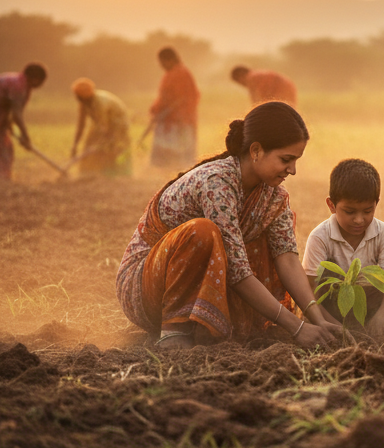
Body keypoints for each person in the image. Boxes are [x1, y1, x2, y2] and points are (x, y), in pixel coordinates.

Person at [116, 102, 341, 349]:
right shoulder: (217, 182)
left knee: (262, 241)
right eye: (286, 159)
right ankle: (174, 330)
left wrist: (317, 319)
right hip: (145, 289)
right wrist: (297, 328)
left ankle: (206, 328)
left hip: (195, 283)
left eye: (296, 160)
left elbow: (286, 258)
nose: (293, 170)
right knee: (202, 232)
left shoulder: (274, 196)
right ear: (256, 150)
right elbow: (237, 269)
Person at [303, 159, 384, 336]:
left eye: (367, 211)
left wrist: (382, 316)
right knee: (324, 275)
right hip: (333, 309)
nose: (359, 220)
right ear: (331, 205)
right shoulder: (320, 237)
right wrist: (334, 326)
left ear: (376, 204)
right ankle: (337, 330)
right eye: (350, 212)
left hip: (370, 305)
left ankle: (377, 330)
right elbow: (310, 290)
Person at [145, 47, 200, 169]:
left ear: (169, 60)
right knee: (165, 157)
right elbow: (164, 97)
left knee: (180, 157)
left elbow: (183, 98)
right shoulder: (170, 74)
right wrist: (157, 110)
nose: (161, 65)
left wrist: (169, 112)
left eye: (162, 62)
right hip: (168, 119)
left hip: (180, 120)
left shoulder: (181, 73)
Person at [70, 78, 132, 177]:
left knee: (114, 145)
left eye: (78, 96)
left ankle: (118, 173)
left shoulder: (99, 103)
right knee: (91, 142)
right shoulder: (84, 103)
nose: (77, 98)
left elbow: (104, 128)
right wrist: (75, 145)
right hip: (102, 122)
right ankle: (88, 172)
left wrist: (101, 141)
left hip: (118, 122)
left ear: (84, 96)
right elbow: (81, 125)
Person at [231, 66, 298, 107]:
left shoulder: (251, 77)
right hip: (288, 95)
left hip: (278, 99)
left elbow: (258, 103)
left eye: (239, 82)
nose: (242, 85)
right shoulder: (259, 74)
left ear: (240, 76)